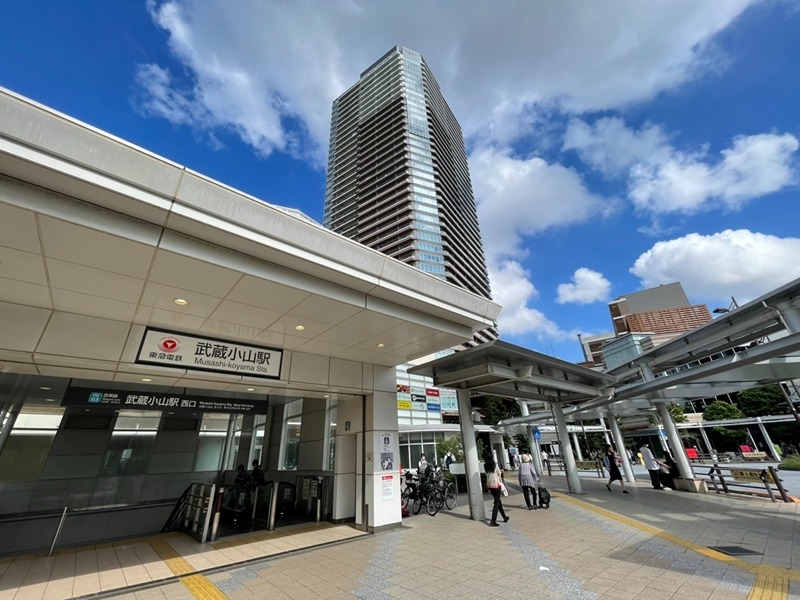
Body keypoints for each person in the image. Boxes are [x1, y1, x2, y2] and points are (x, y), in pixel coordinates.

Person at [484, 455, 508, 526]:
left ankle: (504, 517)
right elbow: (499, 473)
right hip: (496, 485)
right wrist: (500, 478)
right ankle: (493, 519)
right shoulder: (494, 464)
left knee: (498, 501)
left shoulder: (485, 465)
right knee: (497, 503)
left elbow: (488, 474)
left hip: (490, 485)